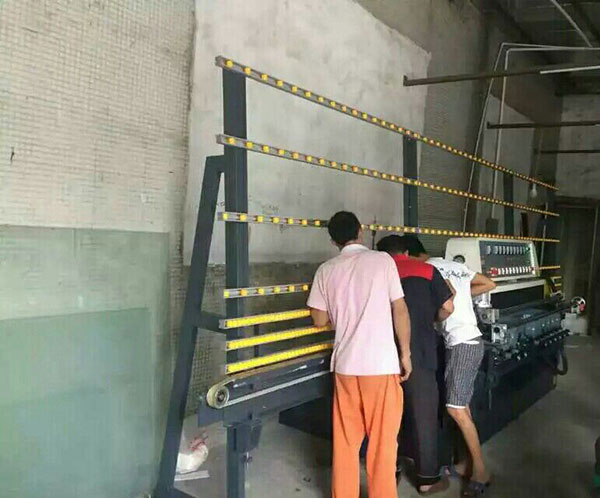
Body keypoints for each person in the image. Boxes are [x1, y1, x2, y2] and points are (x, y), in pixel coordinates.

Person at [307, 211, 412, 498]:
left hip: (346, 366)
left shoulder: (325, 270)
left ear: (333, 241)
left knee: (345, 443)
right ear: (361, 232)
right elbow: (399, 308)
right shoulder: (383, 261)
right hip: (381, 366)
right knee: (382, 445)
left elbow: (319, 319)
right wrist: (405, 354)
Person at [399, 235, 496, 497]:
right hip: (470, 340)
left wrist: (436, 315)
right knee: (462, 405)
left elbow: (446, 303)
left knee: (455, 409)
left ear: (408, 254)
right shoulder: (455, 265)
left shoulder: (426, 270)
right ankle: (466, 463)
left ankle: (481, 471)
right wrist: (463, 295)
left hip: (462, 343)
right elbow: (489, 283)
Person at [377, 235, 455, 495]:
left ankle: (390, 472)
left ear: (382, 255)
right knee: (424, 416)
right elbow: (448, 306)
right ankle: (427, 478)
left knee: (387, 418)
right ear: (407, 251)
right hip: (420, 352)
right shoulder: (427, 270)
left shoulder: (377, 273)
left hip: (382, 357)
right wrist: (431, 318)